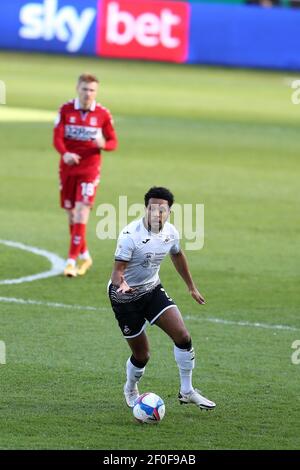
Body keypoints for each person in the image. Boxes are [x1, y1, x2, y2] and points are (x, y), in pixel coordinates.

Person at [108, 187, 216, 410]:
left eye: (162, 209)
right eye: (152, 208)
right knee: (142, 355)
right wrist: (124, 284)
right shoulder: (131, 236)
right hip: (125, 298)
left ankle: (187, 391)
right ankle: (130, 387)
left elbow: (177, 254)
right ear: (146, 208)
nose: (156, 213)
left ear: (169, 212)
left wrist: (191, 287)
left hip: (152, 290)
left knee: (183, 336)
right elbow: (116, 273)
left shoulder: (171, 232)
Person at [53, 73, 117, 277]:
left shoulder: (103, 114)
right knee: (72, 215)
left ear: (96, 92)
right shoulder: (65, 110)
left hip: (90, 170)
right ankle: (85, 255)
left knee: (81, 212)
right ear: (77, 89)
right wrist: (66, 154)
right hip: (68, 169)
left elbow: (114, 142)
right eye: (84, 89)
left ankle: (71, 261)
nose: (88, 93)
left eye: (92, 90)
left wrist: (104, 145)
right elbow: (57, 138)